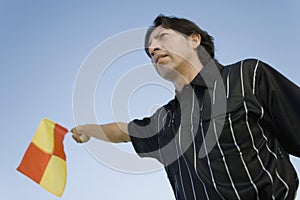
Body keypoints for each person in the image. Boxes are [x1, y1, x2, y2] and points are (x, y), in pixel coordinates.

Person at [71, 15, 300, 200]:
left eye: (162, 37)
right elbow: (124, 131)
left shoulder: (247, 76)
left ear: (194, 40)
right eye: (149, 49)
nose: (153, 49)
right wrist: (87, 130)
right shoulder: (165, 120)